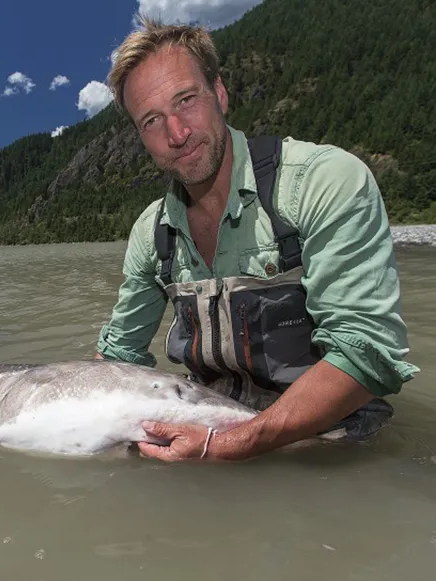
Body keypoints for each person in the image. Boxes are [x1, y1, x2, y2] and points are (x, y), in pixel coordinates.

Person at [95, 16, 419, 462]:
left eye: (186, 100)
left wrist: (228, 446)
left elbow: (367, 354)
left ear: (220, 94)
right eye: (152, 120)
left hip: (335, 452)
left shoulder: (325, 180)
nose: (177, 133)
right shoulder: (151, 234)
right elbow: (117, 362)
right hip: (206, 440)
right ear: (140, 137)